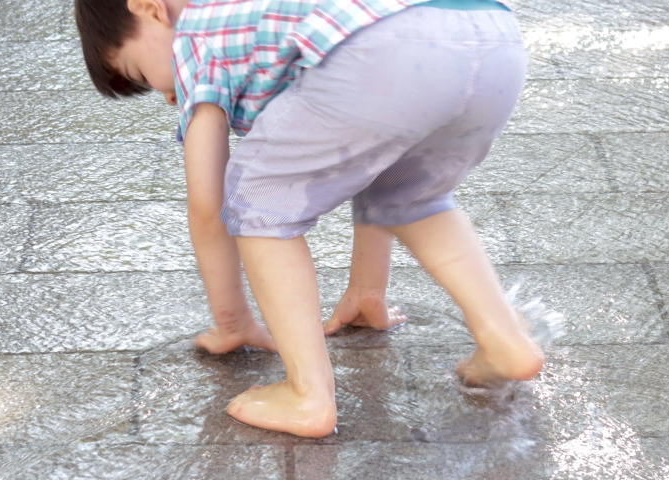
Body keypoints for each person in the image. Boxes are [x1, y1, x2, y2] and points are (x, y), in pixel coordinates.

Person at [74, 0, 545, 438]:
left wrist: (232, 321)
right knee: (410, 193)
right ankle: (504, 338)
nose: (163, 94)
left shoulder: (195, 36)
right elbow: (375, 160)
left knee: (257, 196)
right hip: (491, 36)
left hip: (389, 46)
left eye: (139, 71)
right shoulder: (262, 15)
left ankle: (307, 394)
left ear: (149, 8)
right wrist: (367, 291)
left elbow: (207, 202)